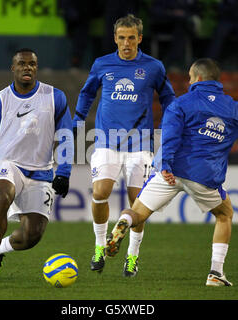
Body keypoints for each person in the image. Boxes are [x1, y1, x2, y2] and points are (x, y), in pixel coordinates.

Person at [106, 58, 238, 286]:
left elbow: (170, 135)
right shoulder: (235, 109)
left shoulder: (180, 104)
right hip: (203, 175)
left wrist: (166, 165)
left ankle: (124, 223)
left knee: (137, 213)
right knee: (225, 214)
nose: (188, 81)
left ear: (197, 78)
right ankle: (216, 274)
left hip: (170, 172)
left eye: (189, 77)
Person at [72, 14, 176, 277]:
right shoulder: (102, 64)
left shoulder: (154, 67)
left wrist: (174, 126)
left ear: (140, 38)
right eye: (121, 38)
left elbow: (168, 98)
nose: (126, 43)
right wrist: (78, 120)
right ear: (115, 38)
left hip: (140, 144)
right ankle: (99, 247)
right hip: (107, 140)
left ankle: (132, 257)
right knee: (100, 191)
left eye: (131, 38)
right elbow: (87, 93)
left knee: (138, 202)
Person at [0, 48, 73, 283]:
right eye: (22, 64)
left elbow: (66, 136)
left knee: (31, 236)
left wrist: (64, 172)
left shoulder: (55, 97)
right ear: (13, 68)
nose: (28, 68)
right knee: (2, 195)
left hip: (41, 172)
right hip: (9, 164)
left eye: (32, 64)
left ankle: (1, 249)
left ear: (36, 67)